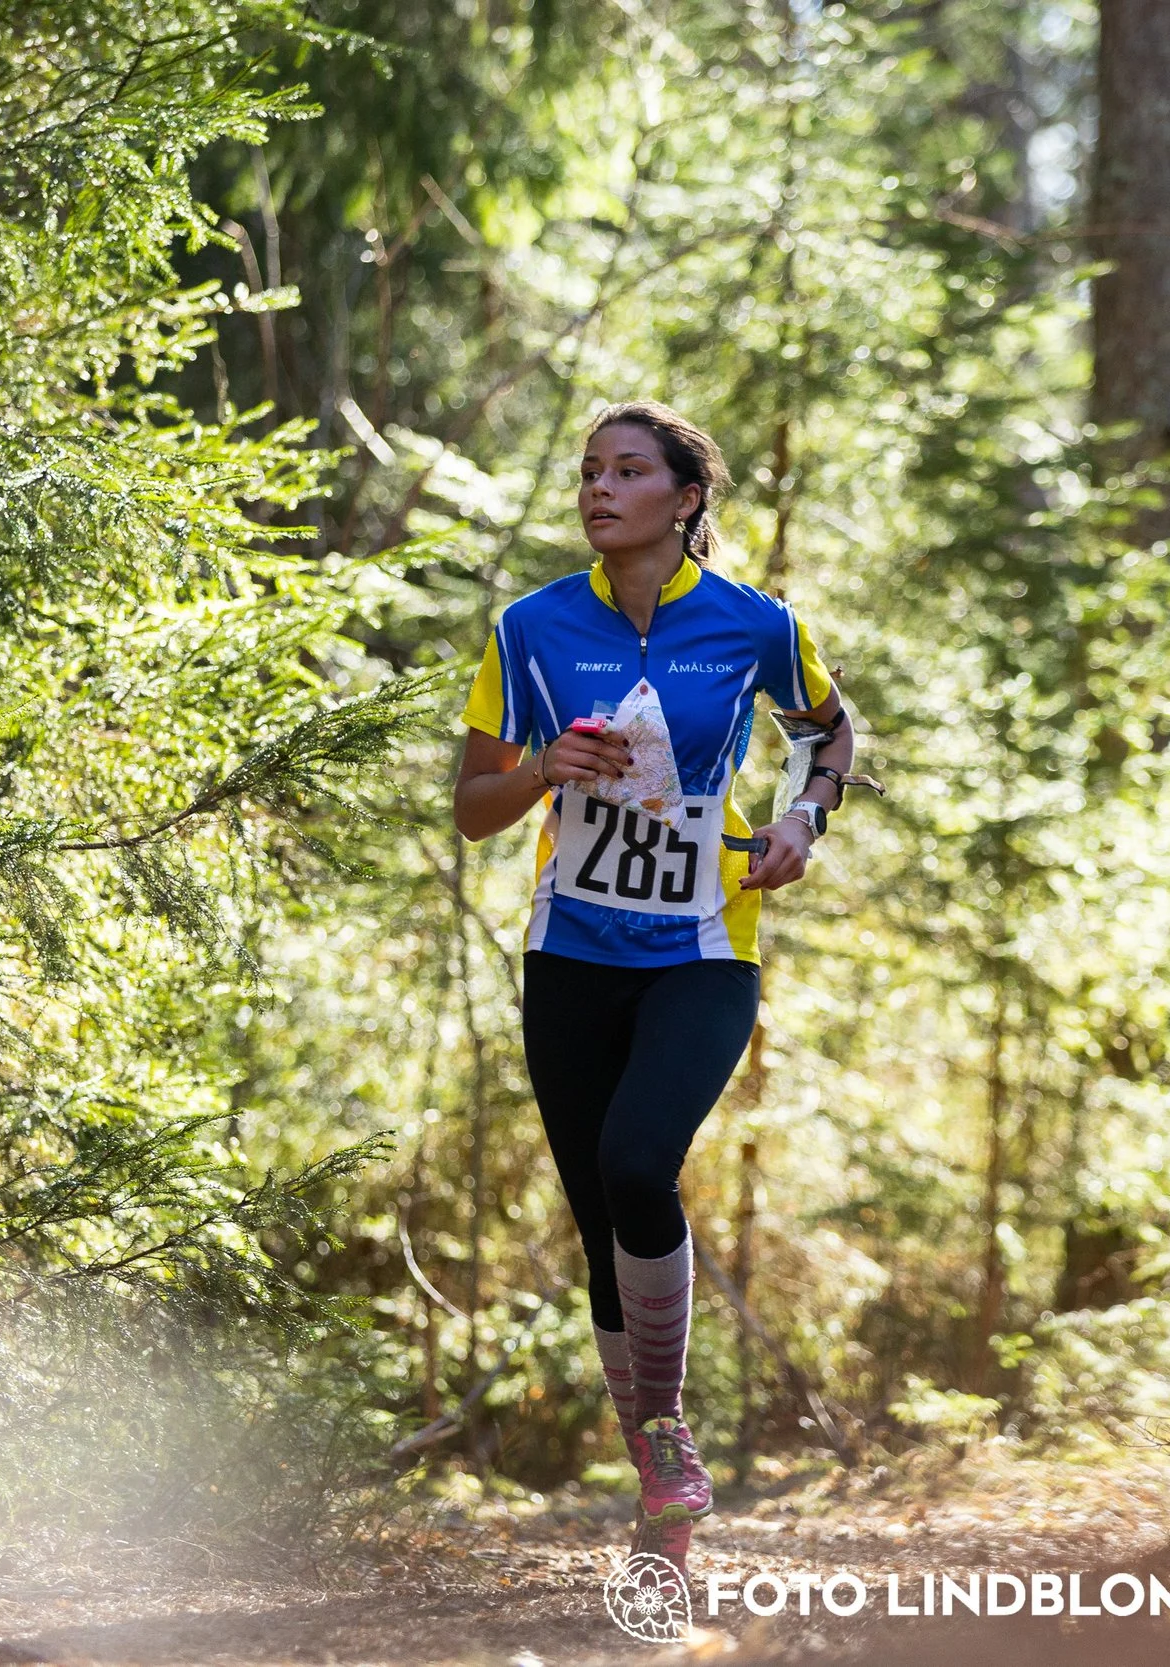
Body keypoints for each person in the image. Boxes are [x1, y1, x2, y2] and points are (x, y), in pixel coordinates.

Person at [452, 402, 856, 1573]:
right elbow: (474, 807)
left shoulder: (754, 625)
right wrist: (541, 769)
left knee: (640, 1161)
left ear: (685, 499)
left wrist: (803, 817)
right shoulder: (530, 628)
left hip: (700, 947)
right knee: (600, 1223)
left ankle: (668, 1430)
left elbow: (828, 734)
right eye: (588, 470)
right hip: (570, 951)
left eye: (629, 471)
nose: (599, 488)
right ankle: (660, 1493)